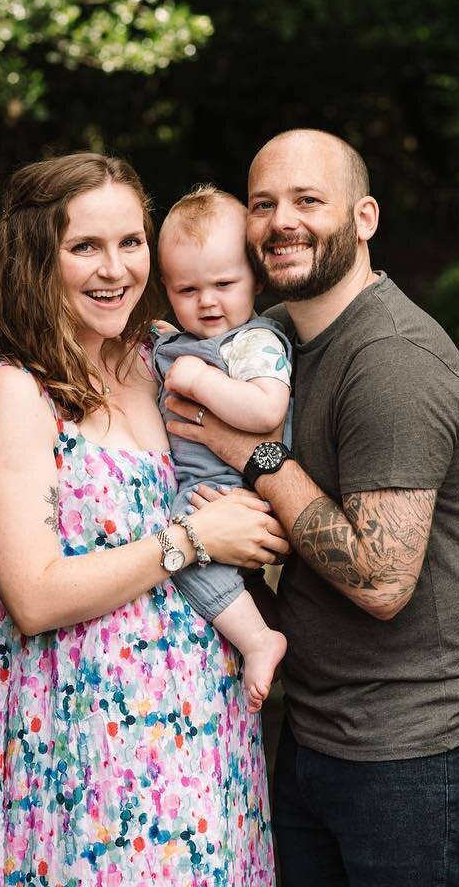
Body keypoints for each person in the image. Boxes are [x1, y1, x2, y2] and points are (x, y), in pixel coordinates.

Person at [168, 130, 459, 886]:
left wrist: (255, 459)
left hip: (422, 745)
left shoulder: (392, 359)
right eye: (263, 205)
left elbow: (381, 580)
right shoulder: (275, 344)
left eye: (307, 200)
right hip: (319, 730)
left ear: (364, 218)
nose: (280, 221)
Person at [0, 152, 287, 885]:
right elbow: (34, 597)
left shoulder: (152, 356)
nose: (115, 270)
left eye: (130, 243)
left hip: (204, 724)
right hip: (91, 743)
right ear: (37, 255)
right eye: (85, 247)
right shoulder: (13, 388)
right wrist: (195, 540)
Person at [152, 184, 292, 713]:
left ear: (256, 277)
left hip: (233, 487)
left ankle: (260, 639)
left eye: (224, 284)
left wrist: (198, 379)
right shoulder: (181, 336)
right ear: (167, 287)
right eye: (187, 290)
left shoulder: (255, 342)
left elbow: (265, 411)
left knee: (179, 551)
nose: (207, 302)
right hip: (204, 484)